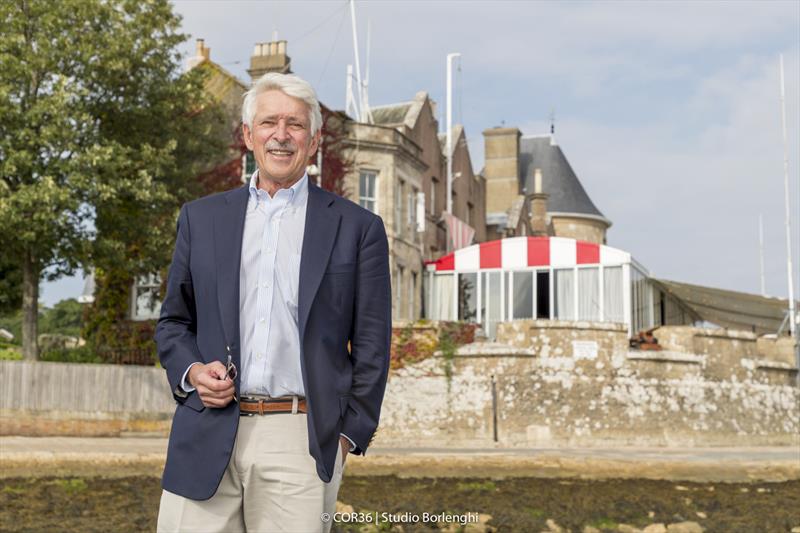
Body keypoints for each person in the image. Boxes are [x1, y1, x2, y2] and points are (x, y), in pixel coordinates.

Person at [154, 72, 392, 532]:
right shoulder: (200, 219)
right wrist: (192, 372)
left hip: (299, 438)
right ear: (248, 135)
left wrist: (346, 436)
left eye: (295, 124)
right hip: (204, 431)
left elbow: (372, 346)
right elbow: (173, 323)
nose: (281, 135)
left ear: (315, 138)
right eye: (268, 123)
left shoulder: (358, 228)